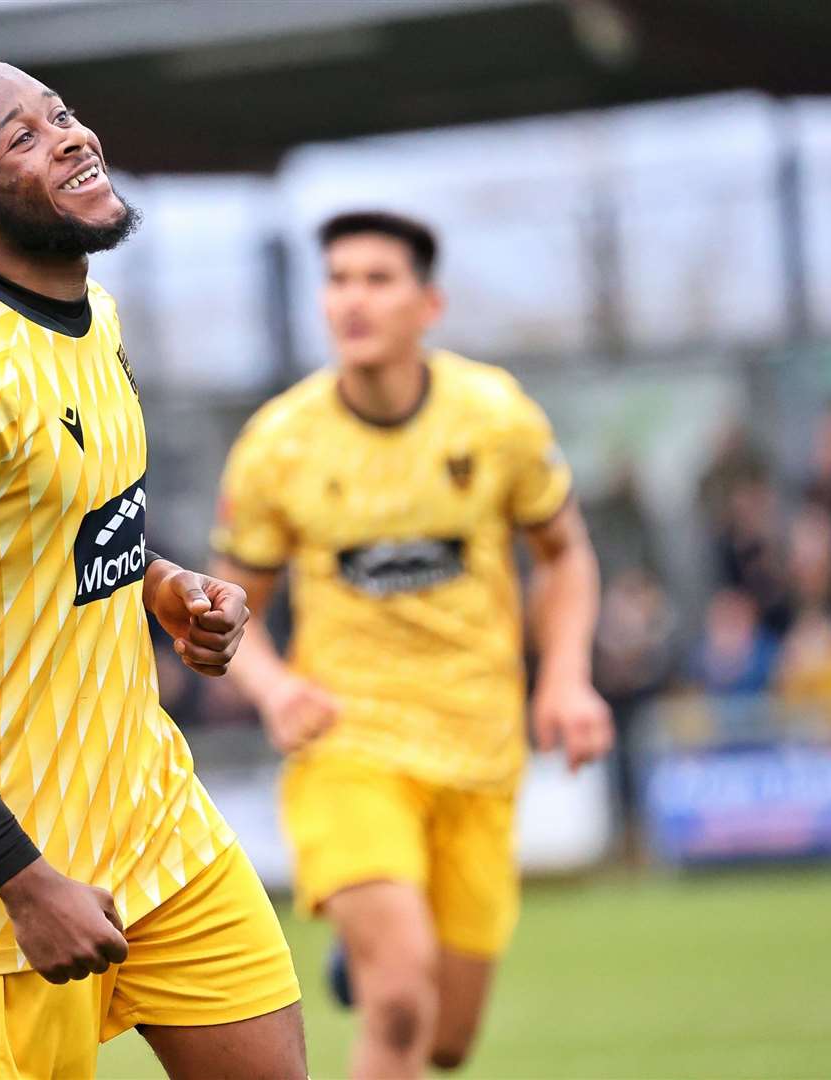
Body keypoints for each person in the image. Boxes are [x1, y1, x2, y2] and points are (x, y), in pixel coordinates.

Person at [0, 55, 304, 1079]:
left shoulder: (96, 321)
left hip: (151, 818)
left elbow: (60, 524)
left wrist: (165, 587)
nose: (69, 135)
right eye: (20, 137)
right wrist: (22, 880)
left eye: (57, 113)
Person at [211, 211, 613, 1077]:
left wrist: (568, 679)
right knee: (398, 1000)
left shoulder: (494, 416)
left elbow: (565, 553)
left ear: (428, 303)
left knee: (446, 1040)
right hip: (346, 745)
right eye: (338, 279)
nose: (352, 299)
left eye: (377, 279)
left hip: (480, 745)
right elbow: (226, 606)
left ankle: (372, 952)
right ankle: (381, 950)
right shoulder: (279, 445)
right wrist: (275, 688)